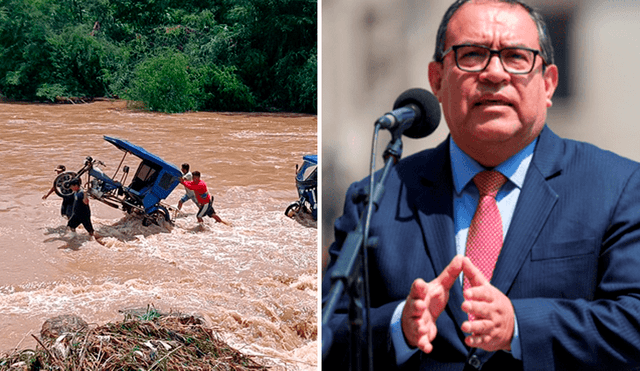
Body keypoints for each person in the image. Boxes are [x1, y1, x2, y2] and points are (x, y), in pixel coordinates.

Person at [322, 1, 640, 370]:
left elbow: (633, 323)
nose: (493, 73)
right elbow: (326, 335)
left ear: (548, 82)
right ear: (437, 80)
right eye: (471, 55)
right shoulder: (377, 197)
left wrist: (519, 326)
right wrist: (398, 327)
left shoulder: (618, 187)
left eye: (515, 57)